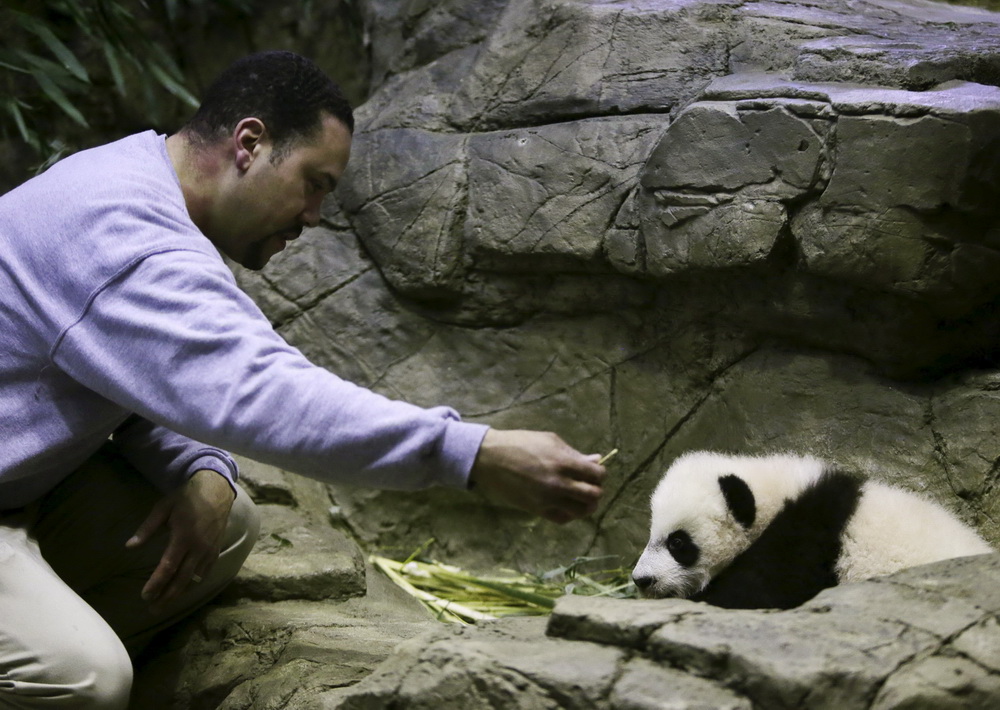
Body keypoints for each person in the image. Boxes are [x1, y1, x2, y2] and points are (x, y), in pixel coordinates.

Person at [0, 51, 607, 709]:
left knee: (220, 521)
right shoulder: (125, 237)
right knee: (83, 679)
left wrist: (201, 464)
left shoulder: (140, 179)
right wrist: (471, 453)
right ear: (250, 144)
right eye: (314, 182)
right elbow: (264, 394)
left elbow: (120, 377)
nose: (314, 215)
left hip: (27, 488)